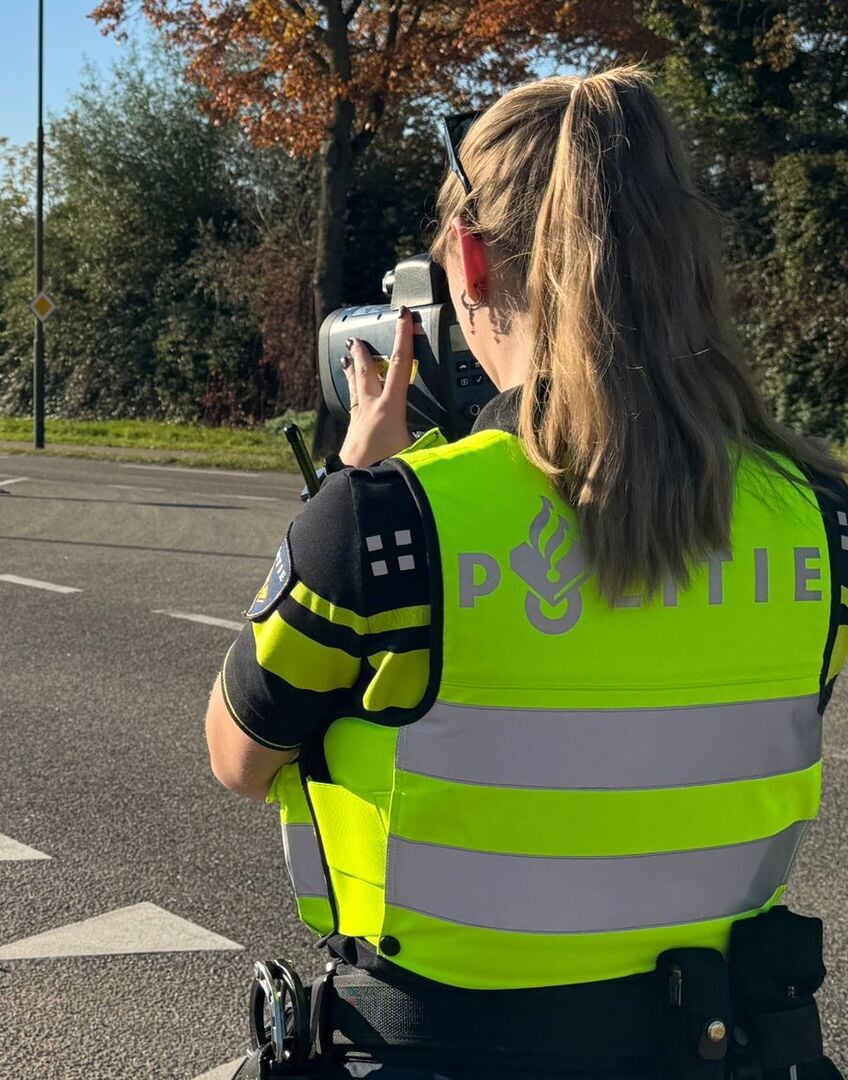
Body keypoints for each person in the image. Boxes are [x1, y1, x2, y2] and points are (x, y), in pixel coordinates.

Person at [208, 67, 846, 1078]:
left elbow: (239, 758)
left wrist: (350, 482)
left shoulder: (385, 528)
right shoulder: (821, 519)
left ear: (466, 262)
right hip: (718, 1048)